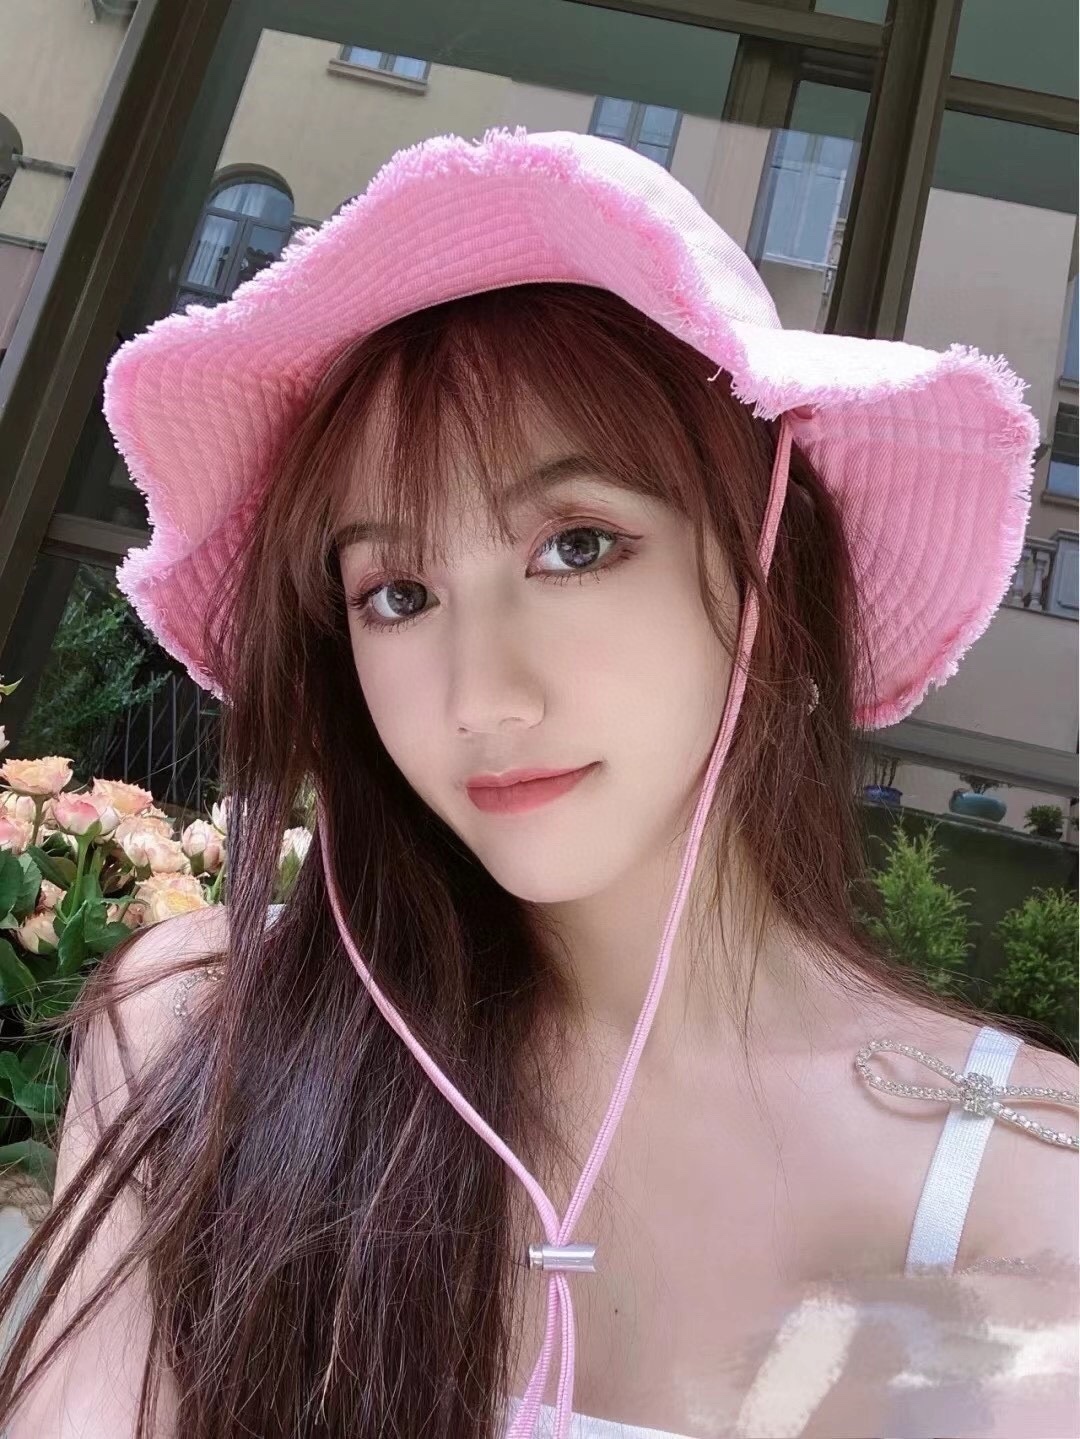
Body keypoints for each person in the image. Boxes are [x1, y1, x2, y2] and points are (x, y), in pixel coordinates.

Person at [0, 128, 1076, 1439]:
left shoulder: (1024, 1190)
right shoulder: (201, 1035)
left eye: (576, 546)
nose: (480, 697)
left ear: (772, 576)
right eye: (397, 593)